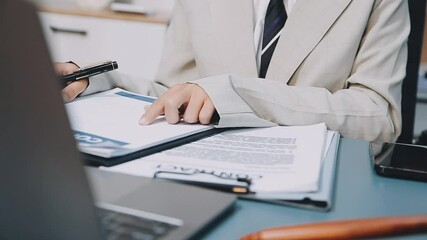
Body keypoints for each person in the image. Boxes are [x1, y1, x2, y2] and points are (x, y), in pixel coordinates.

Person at [58, 0, 410, 154]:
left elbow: (380, 116)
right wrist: (95, 82)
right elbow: (171, 92)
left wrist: (240, 94)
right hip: (209, 174)